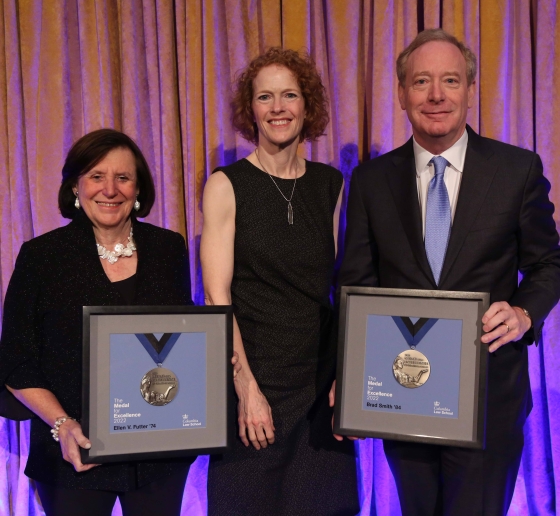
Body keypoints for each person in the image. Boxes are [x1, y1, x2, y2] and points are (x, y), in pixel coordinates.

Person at [338, 28, 560, 515]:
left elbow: (549, 263)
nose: (436, 95)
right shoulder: (372, 181)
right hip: (404, 396)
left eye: (450, 81)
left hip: (488, 399)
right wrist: (351, 376)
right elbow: (356, 283)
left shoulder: (517, 170)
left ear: (469, 89)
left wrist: (524, 313)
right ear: (401, 93)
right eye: (421, 82)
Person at [0, 129, 196, 516]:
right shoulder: (41, 256)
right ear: (76, 185)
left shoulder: (169, 248)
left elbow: (182, 341)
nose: (110, 189)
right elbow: (16, 359)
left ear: (138, 187)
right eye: (96, 176)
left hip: (158, 453)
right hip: (74, 450)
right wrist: (63, 425)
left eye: (123, 177)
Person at [201, 47, 359, 515]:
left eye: (289, 95)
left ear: (307, 106)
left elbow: (339, 289)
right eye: (265, 97)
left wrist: (346, 383)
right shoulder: (226, 184)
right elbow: (216, 297)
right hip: (254, 382)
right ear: (250, 110)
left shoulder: (331, 185)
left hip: (318, 389)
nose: (278, 108)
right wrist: (246, 389)